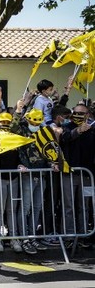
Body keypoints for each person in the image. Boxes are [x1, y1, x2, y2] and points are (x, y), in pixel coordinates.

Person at [10, 105, 52, 254]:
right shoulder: (21, 129)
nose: (35, 125)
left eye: (37, 123)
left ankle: (33, 236)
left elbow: (50, 149)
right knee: (25, 207)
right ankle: (24, 239)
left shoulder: (44, 132)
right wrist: (19, 110)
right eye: (33, 122)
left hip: (42, 173)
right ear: (28, 120)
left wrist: (52, 163)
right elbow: (12, 128)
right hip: (27, 174)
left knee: (37, 207)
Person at [59, 103, 95, 248]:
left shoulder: (92, 129)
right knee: (69, 206)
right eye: (76, 113)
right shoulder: (67, 126)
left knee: (84, 206)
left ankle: (84, 235)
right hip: (69, 173)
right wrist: (78, 130)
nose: (78, 116)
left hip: (87, 175)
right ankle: (69, 236)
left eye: (82, 113)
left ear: (87, 115)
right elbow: (65, 138)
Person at [0, 112, 23, 253]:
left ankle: (14, 238)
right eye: (2, 122)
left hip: (13, 177)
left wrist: (21, 164)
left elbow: (20, 155)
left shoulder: (15, 137)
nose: (5, 124)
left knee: (11, 210)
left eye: (7, 122)